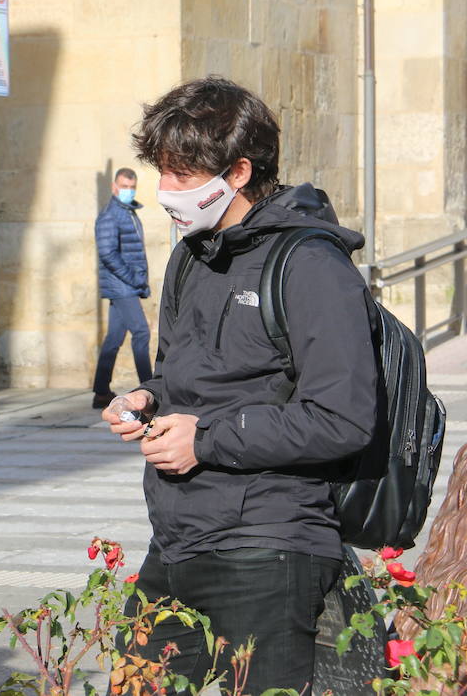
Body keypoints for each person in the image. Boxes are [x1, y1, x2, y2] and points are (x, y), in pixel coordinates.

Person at [103, 76, 377, 693]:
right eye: (162, 173)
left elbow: (343, 416)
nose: (166, 192)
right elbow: (179, 374)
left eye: (182, 175)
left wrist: (206, 441)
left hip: (270, 547)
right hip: (176, 538)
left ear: (239, 172)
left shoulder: (310, 265)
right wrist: (144, 398)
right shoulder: (191, 256)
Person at [91, 166, 153, 409]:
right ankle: (149, 387)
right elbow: (107, 253)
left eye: (131, 187)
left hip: (125, 285)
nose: (128, 191)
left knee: (114, 338)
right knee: (142, 332)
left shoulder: (128, 212)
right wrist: (133, 278)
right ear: (114, 188)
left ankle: (101, 391)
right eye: (124, 187)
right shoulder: (110, 215)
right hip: (122, 286)